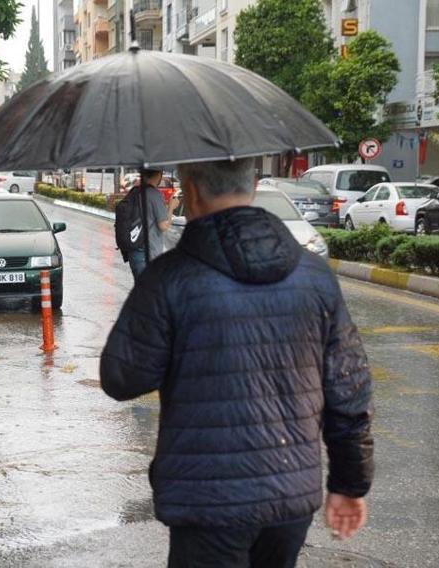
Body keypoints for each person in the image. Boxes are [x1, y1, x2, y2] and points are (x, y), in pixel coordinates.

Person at [100, 158, 374, 568]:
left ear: (191, 192)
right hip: (289, 493)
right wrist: (350, 484)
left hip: (205, 499)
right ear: (254, 187)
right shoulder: (315, 275)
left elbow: (121, 377)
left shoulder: (169, 278)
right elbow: (349, 392)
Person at [128, 168, 179, 280]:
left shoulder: (135, 192)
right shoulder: (155, 194)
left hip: (134, 251)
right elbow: (163, 226)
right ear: (159, 174)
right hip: (148, 253)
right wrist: (171, 207)